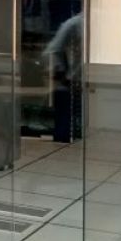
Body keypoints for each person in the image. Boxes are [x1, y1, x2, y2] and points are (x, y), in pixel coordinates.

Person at [43, 12, 82, 143]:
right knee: (64, 131)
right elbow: (52, 51)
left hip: (84, 82)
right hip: (70, 85)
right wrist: (63, 74)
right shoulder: (74, 24)